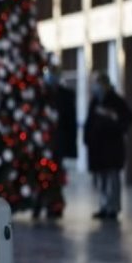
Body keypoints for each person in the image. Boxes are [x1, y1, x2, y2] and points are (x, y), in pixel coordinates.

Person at [83, 72, 132, 220]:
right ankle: (104, 206)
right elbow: (89, 123)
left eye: (98, 83)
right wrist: (87, 140)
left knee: (113, 179)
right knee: (102, 180)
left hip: (112, 149)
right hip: (98, 149)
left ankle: (113, 207)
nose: (96, 87)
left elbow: (127, 119)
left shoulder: (117, 101)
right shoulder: (95, 102)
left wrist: (113, 121)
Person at [35, 65, 77, 219]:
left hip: (57, 144)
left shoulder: (65, 96)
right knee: (40, 174)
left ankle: (54, 205)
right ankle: (39, 204)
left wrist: (71, 147)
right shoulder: (39, 94)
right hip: (41, 143)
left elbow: (70, 123)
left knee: (54, 175)